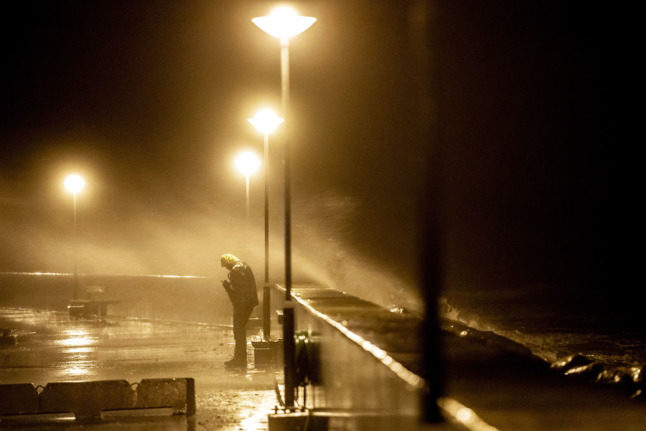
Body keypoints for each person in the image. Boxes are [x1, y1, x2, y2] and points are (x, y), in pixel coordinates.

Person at [220, 253, 259, 369]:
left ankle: (239, 358)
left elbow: (237, 292)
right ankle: (240, 357)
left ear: (228, 262)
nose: (226, 268)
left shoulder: (235, 272)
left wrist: (227, 286)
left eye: (226, 266)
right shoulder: (245, 266)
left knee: (238, 331)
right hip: (249, 303)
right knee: (240, 330)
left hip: (241, 305)